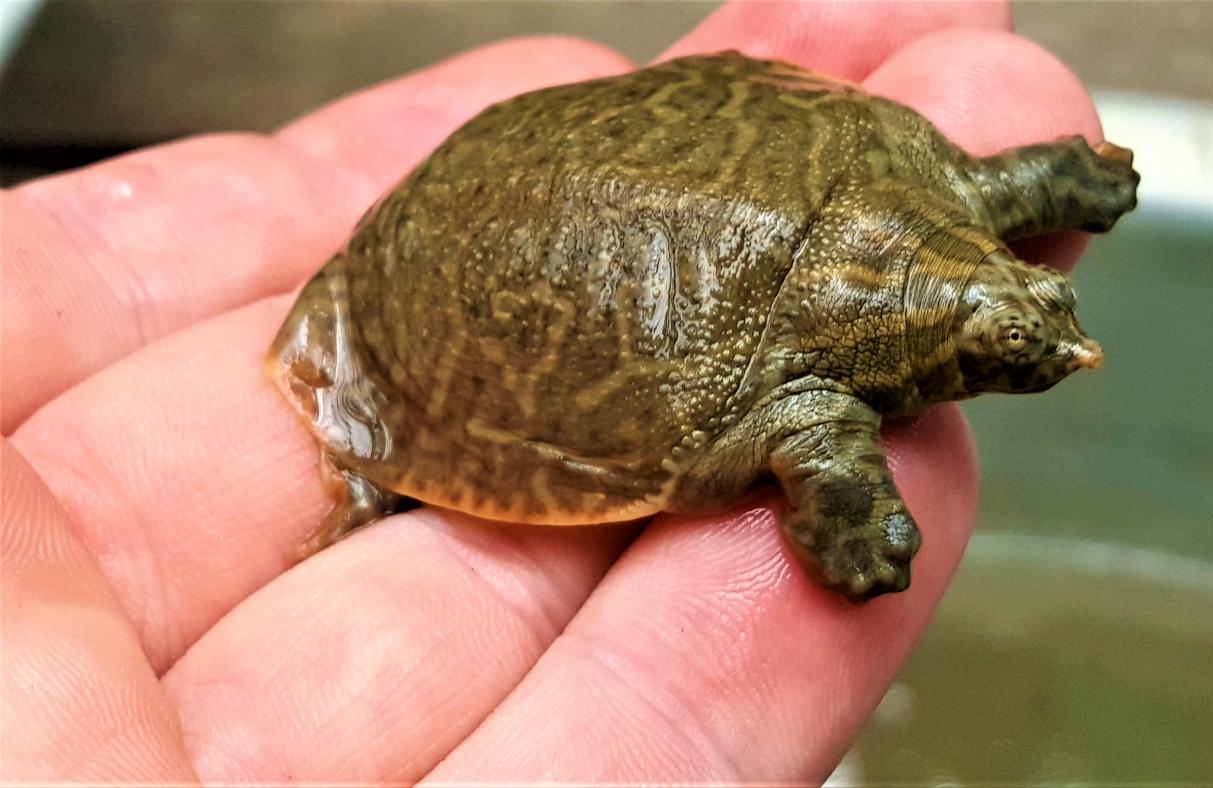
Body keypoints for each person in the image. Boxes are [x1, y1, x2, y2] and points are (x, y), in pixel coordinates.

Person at [1, 0, 1106, 782]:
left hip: (536, 162)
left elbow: (1013, 179)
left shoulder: (930, 183)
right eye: (1002, 351)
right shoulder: (813, 404)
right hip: (466, 268)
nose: (1039, 354)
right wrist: (859, 533)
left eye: (1014, 324)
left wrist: (1069, 185)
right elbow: (842, 514)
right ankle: (387, 451)